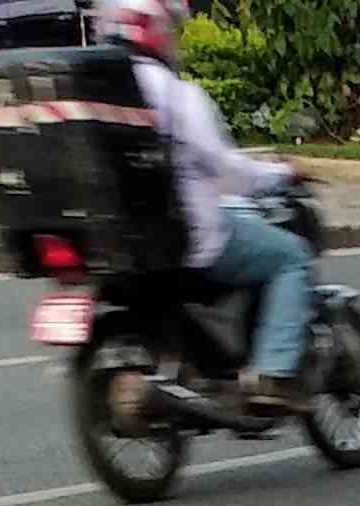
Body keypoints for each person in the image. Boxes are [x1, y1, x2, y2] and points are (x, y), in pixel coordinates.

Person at [101, 0, 314, 415]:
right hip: (186, 238)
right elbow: (225, 170)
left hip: (114, 241)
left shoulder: (93, 90)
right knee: (291, 256)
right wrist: (281, 172)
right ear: (155, 30)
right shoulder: (176, 94)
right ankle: (273, 374)